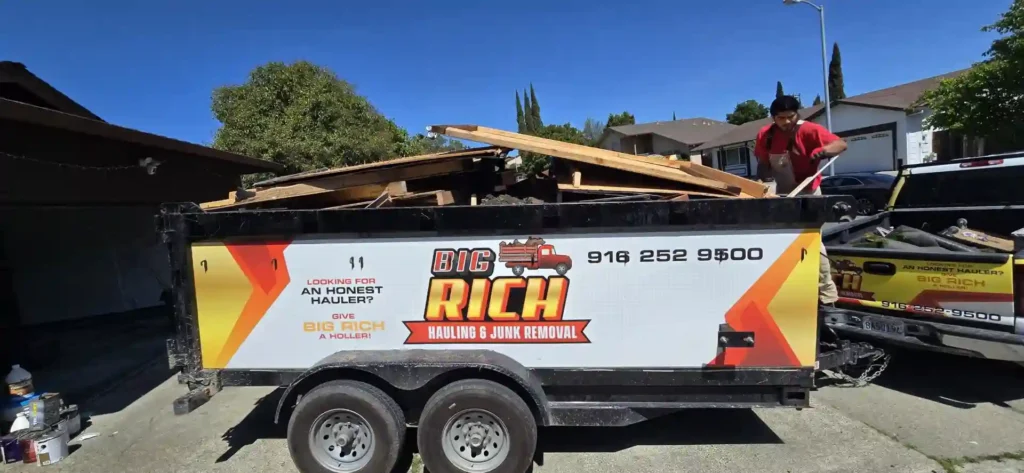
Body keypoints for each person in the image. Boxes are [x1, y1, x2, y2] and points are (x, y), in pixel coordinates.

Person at [754, 95, 847, 306]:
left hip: (807, 192)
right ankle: (785, 288)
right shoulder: (765, 135)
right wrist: (761, 182)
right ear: (773, 118)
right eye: (780, 118)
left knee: (812, 242)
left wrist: (822, 151)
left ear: (798, 114)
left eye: (790, 116)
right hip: (779, 194)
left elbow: (840, 144)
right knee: (778, 241)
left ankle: (827, 296)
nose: (786, 122)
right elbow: (762, 161)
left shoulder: (809, 130)